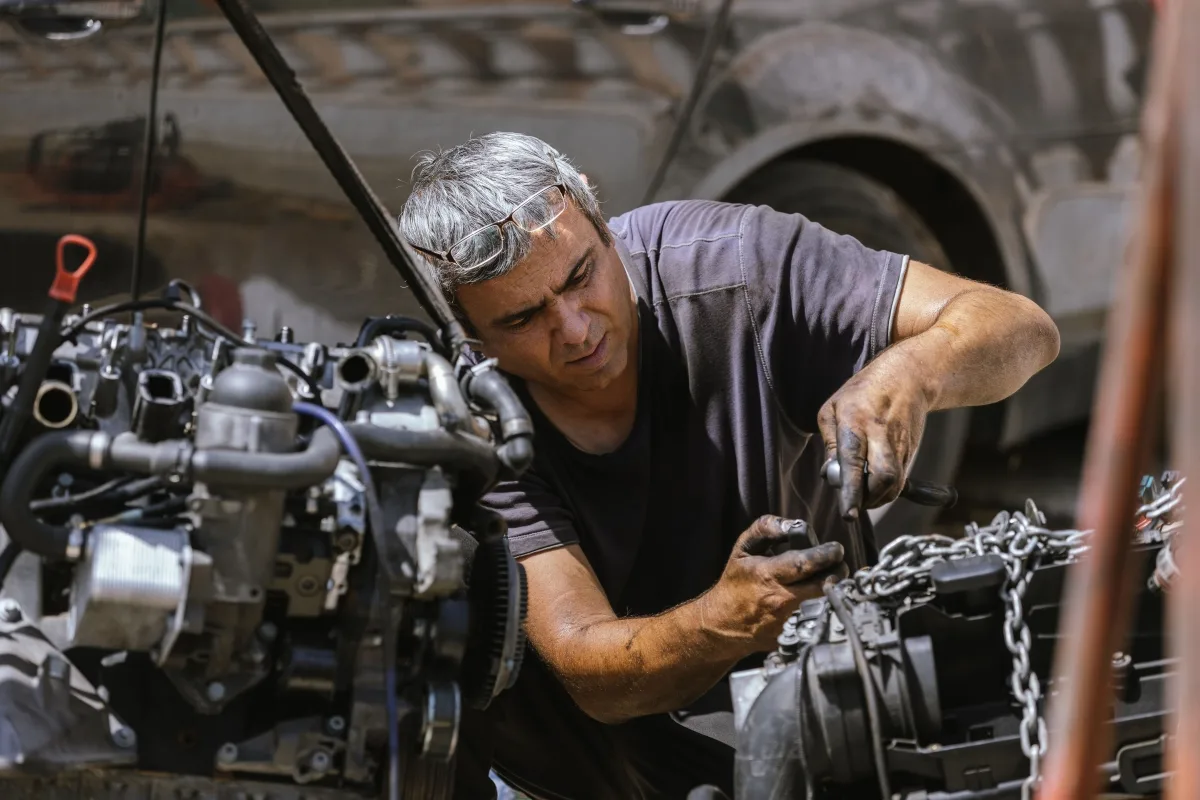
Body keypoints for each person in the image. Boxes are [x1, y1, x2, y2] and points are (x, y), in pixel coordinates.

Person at [398, 132, 1060, 798]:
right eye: (523, 318)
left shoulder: (737, 268)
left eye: (580, 277)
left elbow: (1019, 328)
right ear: (470, 335)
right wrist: (725, 616)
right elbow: (589, 666)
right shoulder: (474, 419)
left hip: (797, 715)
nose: (574, 329)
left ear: (603, 226)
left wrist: (912, 373)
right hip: (572, 771)